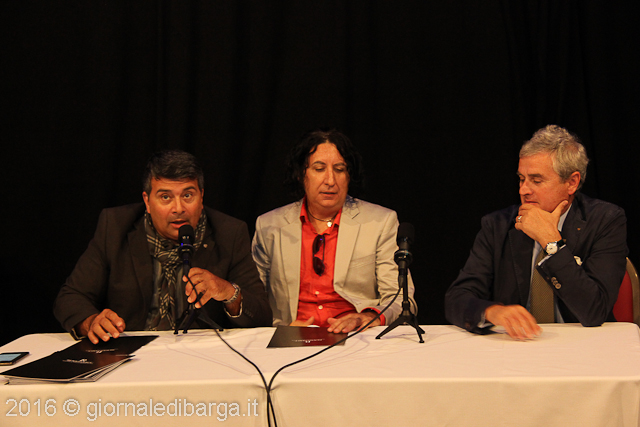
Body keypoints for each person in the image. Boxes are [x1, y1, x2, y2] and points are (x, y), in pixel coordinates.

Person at [54, 150, 272, 343]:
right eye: (165, 197)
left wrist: (228, 292)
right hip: (133, 352)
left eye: (187, 195)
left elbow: (262, 316)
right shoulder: (115, 227)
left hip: (203, 355)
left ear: (201, 197)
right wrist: (91, 322)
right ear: (147, 201)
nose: (178, 208)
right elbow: (71, 297)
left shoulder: (229, 233)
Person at [445, 125, 628, 340]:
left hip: (582, 344)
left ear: (572, 183)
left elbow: (595, 311)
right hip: (518, 344)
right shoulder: (498, 225)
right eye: (522, 179)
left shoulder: (605, 221)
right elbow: (457, 298)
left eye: (536, 180)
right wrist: (492, 311)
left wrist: (551, 242)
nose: (523, 190)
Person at [252, 129, 416, 334]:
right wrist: (281, 329)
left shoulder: (380, 222)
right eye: (319, 169)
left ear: (349, 175)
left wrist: (367, 317)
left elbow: (400, 298)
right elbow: (253, 301)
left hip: (357, 337)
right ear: (301, 174)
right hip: (290, 336)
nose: (330, 180)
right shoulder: (269, 226)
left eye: (339, 169)